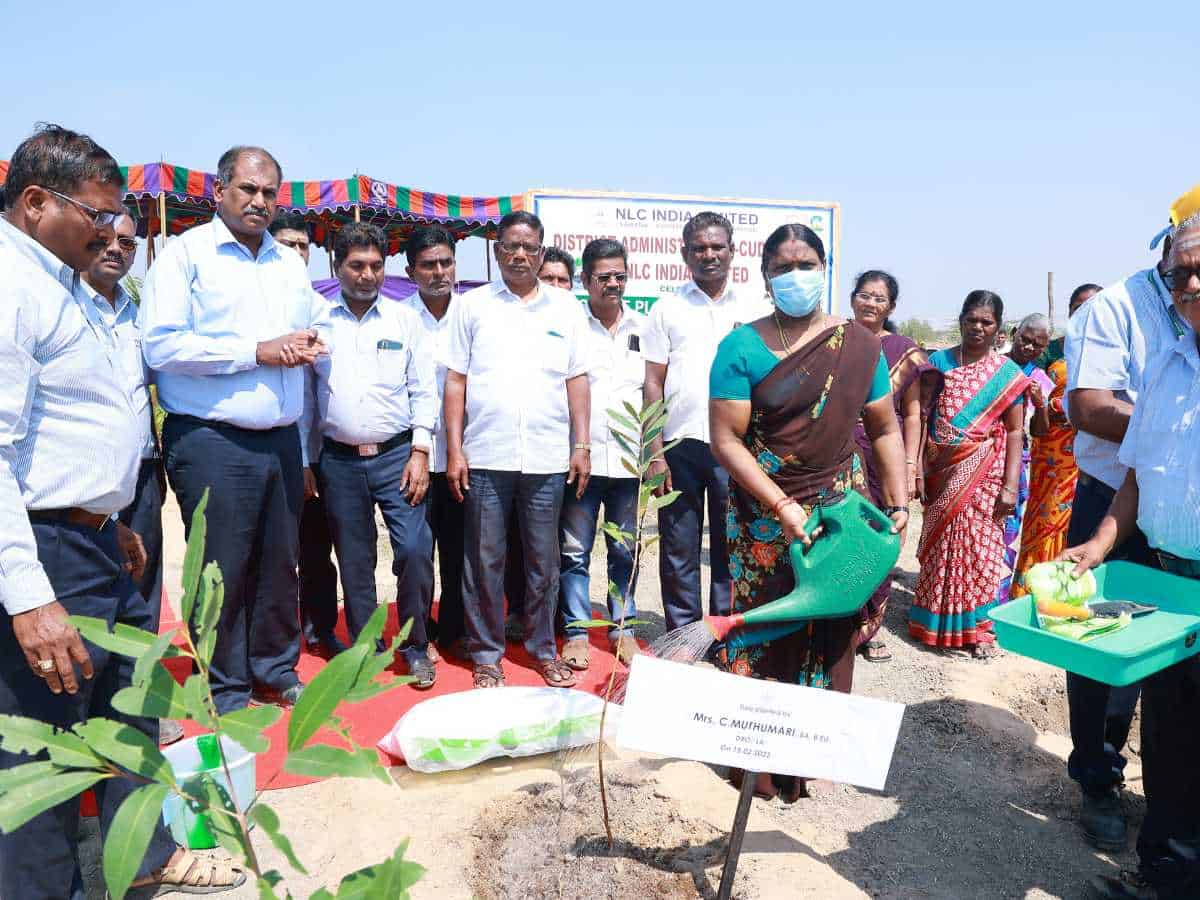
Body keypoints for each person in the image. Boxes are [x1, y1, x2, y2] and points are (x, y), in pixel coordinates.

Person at [0, 124, 243, 899]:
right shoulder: (11, 288)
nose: (109, 232)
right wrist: (31, 594)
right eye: (95, 214)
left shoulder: (63, 285)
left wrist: (109, 518)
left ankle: (141, 859)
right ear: (36, 203)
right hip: (44, 557)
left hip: (96, 541)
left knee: (124, 714)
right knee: (46, 758)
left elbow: (66, 426)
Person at [710, 223, 908, 802]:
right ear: (766, 275)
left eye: (807, 262)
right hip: (765, 518)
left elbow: (885, 427)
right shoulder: (740, 347)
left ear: (824, 268)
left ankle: (811, 754)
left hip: (840, 515)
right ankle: (758, 765)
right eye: (783, 265)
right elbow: (726, 441)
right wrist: (780, 504)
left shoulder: (861, 345)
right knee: (766, 624)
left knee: (831, 624)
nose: (796, 274)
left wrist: (897, 501)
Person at [140, 145, 329, 712]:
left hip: (278, 438)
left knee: (279, 561)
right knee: (220, 563)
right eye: (248, 189)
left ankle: (275, 668)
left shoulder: (289, 264)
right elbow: (162, 344)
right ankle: (224, 684)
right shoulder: (185, 255)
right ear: (219, 191)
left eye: (270, 192)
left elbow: (314, 328)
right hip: (211, 439)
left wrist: (314, 343)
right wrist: (255, 352)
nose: (259, 201)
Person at [1060, 215, 1200, 899]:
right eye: (1184, 272)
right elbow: (1111, 433)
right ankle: (1106, 786)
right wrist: (1103, 542)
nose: (1193, 286)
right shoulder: (1146, 339)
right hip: (1137, 528)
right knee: (1126, 679)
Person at [443, 210, 591, 689]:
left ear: (542, 252)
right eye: (510, 246)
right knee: (483, 559)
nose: (520, 255)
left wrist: (581, 444)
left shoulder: (566, 310)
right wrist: (454, 449)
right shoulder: (472, 306)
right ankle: (486, 654)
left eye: (529, 247)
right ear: (496, 251)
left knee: (542, 561)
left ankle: (543, 648)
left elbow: (577, 381)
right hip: (486, 455)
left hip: (548, 457)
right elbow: (455, 382)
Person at [303, 223, 438, 686]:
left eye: (376, 266)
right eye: (357, 266)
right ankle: (366, 649)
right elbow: (306, 400)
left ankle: (416, 646)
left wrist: (421, 450)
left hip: (398, 456)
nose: (367, 275)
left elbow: (424, 392)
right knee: (355, 560)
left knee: (416, 551)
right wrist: (307, 460)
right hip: (338, 462)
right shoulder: (318, 325)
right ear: (336, 266)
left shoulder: (405, 321)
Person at [80, 213, 186, 748]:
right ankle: (91, 714)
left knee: (141, 596)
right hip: (82, 485)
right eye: (105, 238)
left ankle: (143, 707)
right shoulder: (61, 304)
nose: (117, 249)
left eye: (128, 241)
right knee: (88, 600)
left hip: (142, 472)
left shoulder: (138, 312)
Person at [643, 211, 770, 631]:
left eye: (717, 247)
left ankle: (723, 632)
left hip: (736, 448)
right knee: (679, 547)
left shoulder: (754, 308)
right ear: (685, 253)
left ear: (733, 251)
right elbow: (652, 384)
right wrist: (654, 453)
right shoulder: (667, 309)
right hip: (680, 448)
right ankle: (682, 632)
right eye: (700, 248)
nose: (709, 255)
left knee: (731, 545)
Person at [909, 291, 1029, 658]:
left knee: (979, 549)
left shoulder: (1007, 375)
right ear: (960, 320)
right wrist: (914, 466)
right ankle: (932, 624)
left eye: (986, 322)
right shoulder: (938, 362)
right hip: (939, 468)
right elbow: (924, 416)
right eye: (972, 319)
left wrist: (1010, 486)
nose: (978, 327)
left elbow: (1013, 431)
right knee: (941, 548)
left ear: (998, 329)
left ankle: (975, 631)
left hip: (985, 474)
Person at [558, 239, 645, 671]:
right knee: (574, 550)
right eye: (603, 277)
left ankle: (623, 627)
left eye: (619, 276)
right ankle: (575, 630)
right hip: (582, 462)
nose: (613, 284)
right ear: (585, 281)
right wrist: (578, 447)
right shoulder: (570, 327)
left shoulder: (644, 329)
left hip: (629, 462)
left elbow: (653, 392)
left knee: (624, 549)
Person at [269, 211, 345, 659]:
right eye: (288, 244)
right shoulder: (262, 308)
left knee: (319, 550)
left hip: (323, 453)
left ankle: (320, 629)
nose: (297, 253)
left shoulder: (322, 308)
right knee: (278, 553)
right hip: (281, 452)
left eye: (304, 245)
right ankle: (276, 641)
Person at [848, 270, 931, 662]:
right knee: (845, 539)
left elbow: (913, 415)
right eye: (865, 295)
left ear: (891, 307)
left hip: (888, 455)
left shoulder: (904, 350)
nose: (871, 303)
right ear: (852, 299)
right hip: (842, 456)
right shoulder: (835, 339)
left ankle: (870, 629)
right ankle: (840, 624)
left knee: (885, 540)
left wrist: (912, 464)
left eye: (879, 299)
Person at [1010, 287, 1099, 595]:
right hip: (1051, 452)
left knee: (1083, 521)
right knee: (1044, 519)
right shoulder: (1053, 350)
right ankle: (1030, 589)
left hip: (1094, 451)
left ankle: (1067, 591)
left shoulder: (1111, 349)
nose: (1085, 313)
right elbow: (1033, 392)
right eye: (1078, 307)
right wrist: (1057, 407)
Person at [402, 225, 465, 659]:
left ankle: (457, 632)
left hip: (465, 457)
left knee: (463, 551)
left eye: (445, 262)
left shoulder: (474, 314)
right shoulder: (399, 319)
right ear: (411, 271)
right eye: (429, 265)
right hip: (416, 459)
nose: (439, 271)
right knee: (417, 552)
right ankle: (418, 635)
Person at [993, 313, 1053, 606]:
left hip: (1016, 467)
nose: (1029, 348)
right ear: (1015, 333)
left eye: (1037, 346)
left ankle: (995, 601)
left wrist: (1040, 403)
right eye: (1025, 340)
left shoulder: (1040, 379)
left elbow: (1040, 431)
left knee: (1006, 532)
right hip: (982, 459)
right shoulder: (992, 366)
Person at [1036, 283, 1103, 370]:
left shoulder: (1117, 352)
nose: (1085, 314)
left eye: (1092, 309)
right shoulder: (1047, 352)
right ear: (1069, 312)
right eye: (1078, 308)